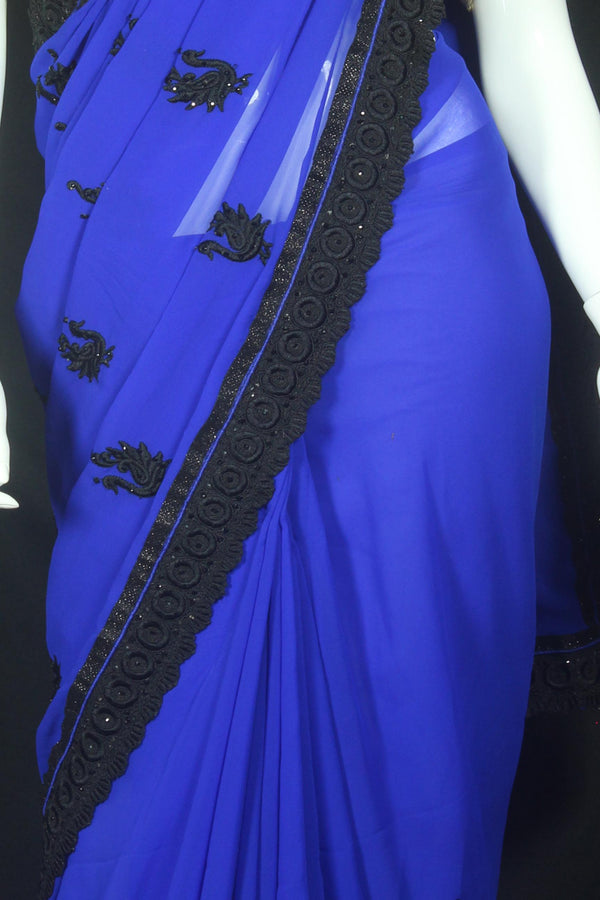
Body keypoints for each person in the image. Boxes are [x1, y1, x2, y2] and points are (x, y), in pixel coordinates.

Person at [1, 0, 600, 897]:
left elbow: (529, 37)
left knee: (407, 709)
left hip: (415, 228)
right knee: (159, 731)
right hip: (144, 278)